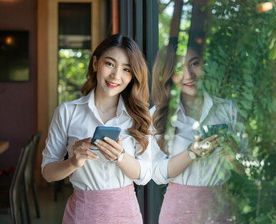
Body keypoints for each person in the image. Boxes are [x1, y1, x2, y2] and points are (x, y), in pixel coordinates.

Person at [41, 34, 151, 224]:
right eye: (110, 64)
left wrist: (121, 157)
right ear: (95, 64)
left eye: (126, 69)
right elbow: (48, 173)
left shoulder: (139, 117)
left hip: (126, 214)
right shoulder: (67, 112)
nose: (116, 75)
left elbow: (144, 175)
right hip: (82, 213)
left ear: (133, 75)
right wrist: (73, 162)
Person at [151, 42, 247, 223]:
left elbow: (245, 168)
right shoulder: (156, 116)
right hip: (177, 210)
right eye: (179, 68)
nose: (189, 75)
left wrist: (231, 153)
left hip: (219, 207)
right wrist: (191, 153)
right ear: (168, 73)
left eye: (194, 63)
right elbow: (156, 174)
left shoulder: (227, 110)